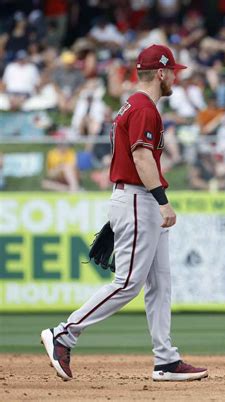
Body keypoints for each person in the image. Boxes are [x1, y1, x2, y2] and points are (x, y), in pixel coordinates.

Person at [41, 44, 208, 382]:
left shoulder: (131, 103)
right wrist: (162, 201)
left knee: (160, 284)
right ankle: (65, 333)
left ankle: (166, 359)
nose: (175, 77)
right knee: (129, 282)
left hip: (134, 197)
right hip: (138, 197)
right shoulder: (145, 107)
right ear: (161, 73)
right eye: (173, 71)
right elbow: (142, 158)